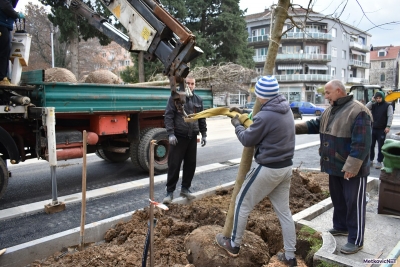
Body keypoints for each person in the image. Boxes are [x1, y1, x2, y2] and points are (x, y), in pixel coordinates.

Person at [215, 76, 298, 266]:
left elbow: (247, 139)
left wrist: (237, 125)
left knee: (241, 202)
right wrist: (245, 114)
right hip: (285, 167)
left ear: (261, 96)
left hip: (268, 168)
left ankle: (233, 244)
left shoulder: (265, 115)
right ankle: (291, 256)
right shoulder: (285, 109)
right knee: (284, 212)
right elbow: (262, 125)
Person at [295, 79, 372, 255]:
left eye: (328, 93)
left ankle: (356, 240)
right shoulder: (330, 110)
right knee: (338, 199)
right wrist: (290, 128)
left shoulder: (359, 111)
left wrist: (352, 167)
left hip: (353, 169)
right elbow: (315, 125)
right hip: (334, 166)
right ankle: (341, 226)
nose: (326, 96)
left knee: (354, 203)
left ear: (339, 91)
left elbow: (361, 144)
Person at [162, 76, 207, 204]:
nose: (190, 86)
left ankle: (185, 189)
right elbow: (168, 116)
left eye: (192, 84)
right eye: (188, 83)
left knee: (190, 164)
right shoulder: (175, 98)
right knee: (174, 165)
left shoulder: (198, 100)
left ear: (195, 85)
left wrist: (204, 134)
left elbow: (202, 118)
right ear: (183, 84)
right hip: (178, 137)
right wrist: (170, 134)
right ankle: (169, 192)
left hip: (192, 137)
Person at [366, 91, 393, 169]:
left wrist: (388, 126)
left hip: (382, 129)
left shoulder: (388, 106)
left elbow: (390, 116)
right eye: (376, 98)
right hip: (373, 128)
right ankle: (370, 159)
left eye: (379, 98)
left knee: (381, 146)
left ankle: (379, 161)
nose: (378, 99)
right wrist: (371, 101)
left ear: (383, 97)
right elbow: (365, 107)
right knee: (371, 145)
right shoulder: (373, 105)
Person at [0, 0, 24, 86]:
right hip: (2, 24)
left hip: (5, 25)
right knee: (4, 51)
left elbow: (11, 5)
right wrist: (16, 15)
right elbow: (6, 6)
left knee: (5, 51)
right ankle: (1, 78)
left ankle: (3, 77)